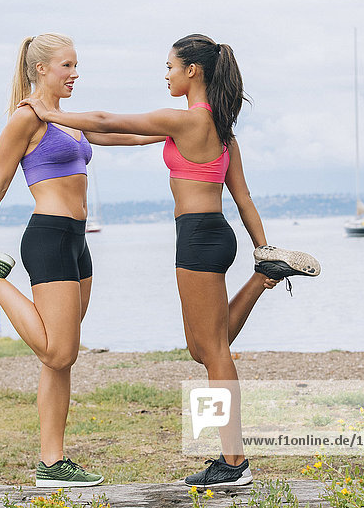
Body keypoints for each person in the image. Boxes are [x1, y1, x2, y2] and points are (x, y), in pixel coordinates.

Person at [20, 33, 321, 488]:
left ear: (192, 71)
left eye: (170, 68)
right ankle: (263, 273)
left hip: (198, 239)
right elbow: (241, 196)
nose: (167, 75)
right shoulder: (220, 128)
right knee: (205, 346)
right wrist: (262, 246)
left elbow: (105, 116)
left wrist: (52, 113)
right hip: (215, 234)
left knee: (214, 352)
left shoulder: (187, 120)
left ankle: (233, 461)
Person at [0, 33, 162, 487]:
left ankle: (52, 461)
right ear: (42, 68)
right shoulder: (25, 119)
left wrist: (170, 131)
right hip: (46, 237)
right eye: (67, 65)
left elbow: (115, 134)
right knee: (59, 349)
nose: (74, 73)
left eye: (76, 65)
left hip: (76, 240)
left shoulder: (65, 118)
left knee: (59, 360)